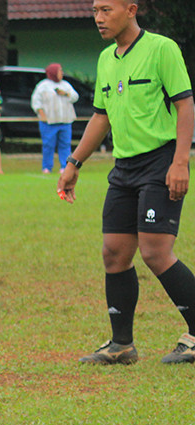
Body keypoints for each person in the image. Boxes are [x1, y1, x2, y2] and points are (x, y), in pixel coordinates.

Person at [58, 0, 195, 365]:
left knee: (155, 252)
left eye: (107, 10)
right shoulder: (106, 59)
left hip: (161, 161)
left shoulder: (162, 49)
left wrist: (181, 161)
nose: (99, 18)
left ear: (131, 9)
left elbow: (185, 105)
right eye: (95, 11)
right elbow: (101, 117)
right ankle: (121, 346)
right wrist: (74, 162)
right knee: (114, 253)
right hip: (124, 167)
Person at [31, 63, 79, 174]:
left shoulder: (66, 85)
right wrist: (41, 113)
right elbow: (36, 101)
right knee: (48, 145)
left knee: (65, 145)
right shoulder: (43, 86)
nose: (61, 73)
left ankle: (65, 166)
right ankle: (47, 167)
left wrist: (65, 94)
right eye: (59, 71)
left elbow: (75, 97)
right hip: (49, 122)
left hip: (65, 121)